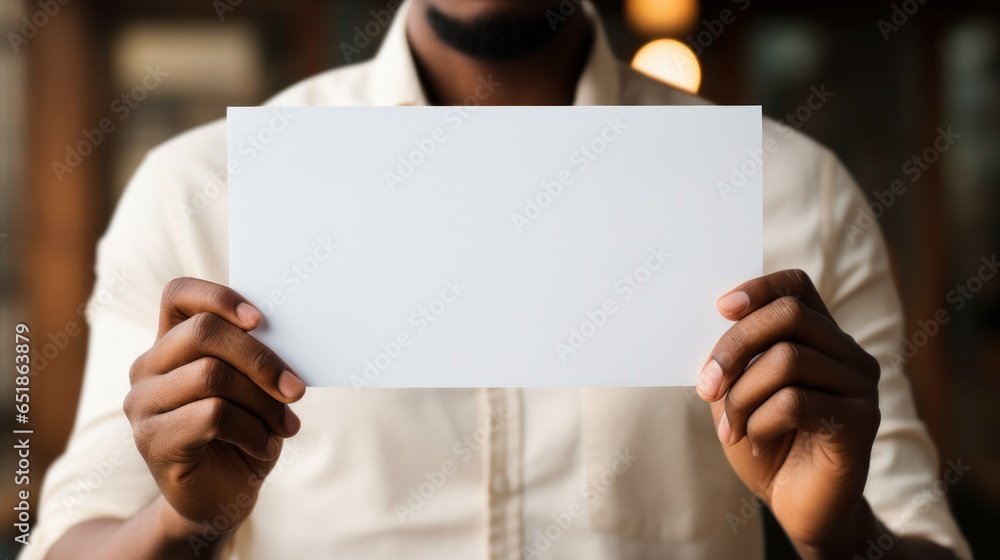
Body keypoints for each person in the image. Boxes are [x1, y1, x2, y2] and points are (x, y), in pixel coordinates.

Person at [23, 1, 971, 559]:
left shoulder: (791, 190)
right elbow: (72, 535)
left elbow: (914, 532)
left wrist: (842, 536)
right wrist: (177, 523)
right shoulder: (202, 191)